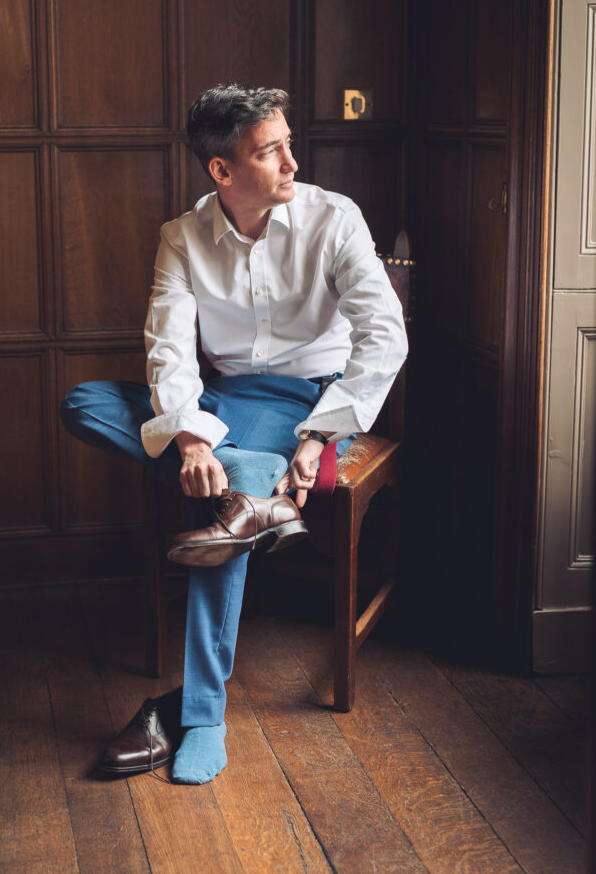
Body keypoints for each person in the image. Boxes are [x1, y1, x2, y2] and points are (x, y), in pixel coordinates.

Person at [60, 83, 408, 785]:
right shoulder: (182, 237)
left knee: (227, 491)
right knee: (84, 402)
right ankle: (251, 494)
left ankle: (202, 715)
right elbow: (168, 349)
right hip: (219, 402)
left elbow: (384, 337)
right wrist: (191, 439)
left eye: (287, 144)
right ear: (221, 170)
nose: (291, 162)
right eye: (270, 151)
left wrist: (318, 435)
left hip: (305, 400)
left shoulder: (333, 218)